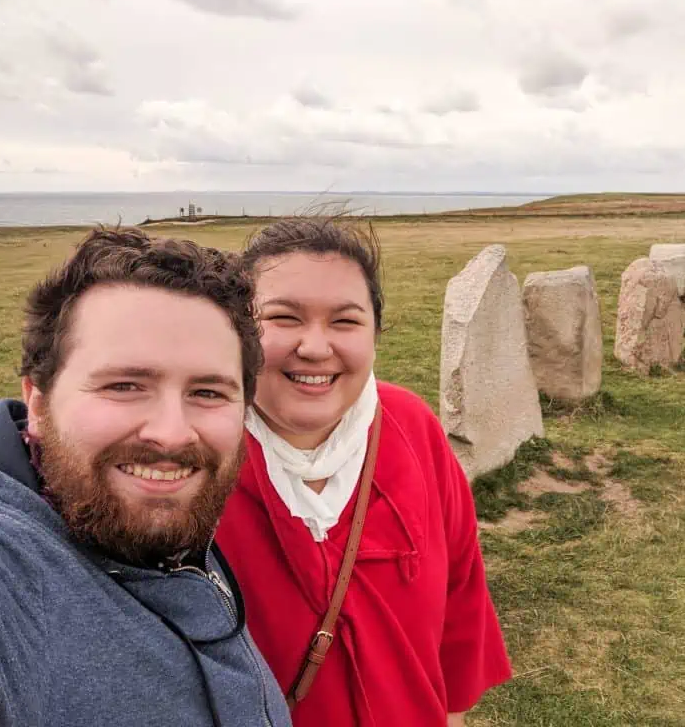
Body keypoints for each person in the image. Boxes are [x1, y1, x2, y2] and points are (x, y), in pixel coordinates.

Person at [0, 227, 292, 727]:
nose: (171, 434)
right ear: (38, 402)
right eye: (124, 385)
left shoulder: (163, 533)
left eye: (208, 393)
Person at [214, 218, 512, 726]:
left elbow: (459, 594)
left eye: (345, 321)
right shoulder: (201, 454)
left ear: (375, 331)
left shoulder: (413, 427)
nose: (314, 346)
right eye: (284, 317)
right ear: (241, 329)